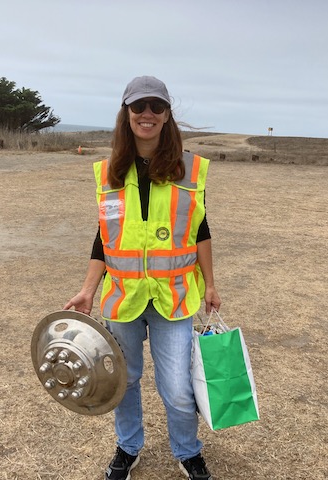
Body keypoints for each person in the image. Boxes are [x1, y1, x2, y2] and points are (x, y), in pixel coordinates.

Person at [63, 76, 221, 480]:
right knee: (124, 382)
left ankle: (188, 451)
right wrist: (87, 289)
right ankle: (128, 447)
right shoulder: (108, 172)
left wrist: (212, 285)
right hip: (123, 297)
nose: (147, 114)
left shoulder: (192, 170)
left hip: (175, 296)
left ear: (167, 115)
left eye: (156, 106)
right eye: (139, 107)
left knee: (179, 391)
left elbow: (200, 230)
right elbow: (105, 237)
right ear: (127, 114)